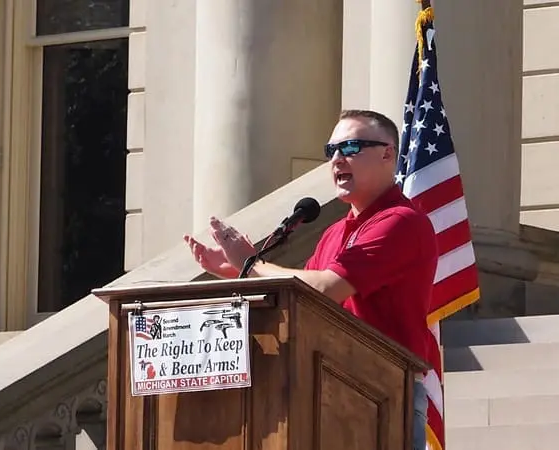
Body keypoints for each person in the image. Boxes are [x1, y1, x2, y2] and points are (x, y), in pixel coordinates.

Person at [183, 109, 437, 450]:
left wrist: (250, 263)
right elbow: (303, 294)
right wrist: (235, 271)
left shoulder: (401, 222)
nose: (336, 160)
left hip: (383, 392)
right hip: (327, 387)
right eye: (330, 150)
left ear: (387, 153)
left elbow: (324, 289)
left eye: (350, 147)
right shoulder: (334, 232)